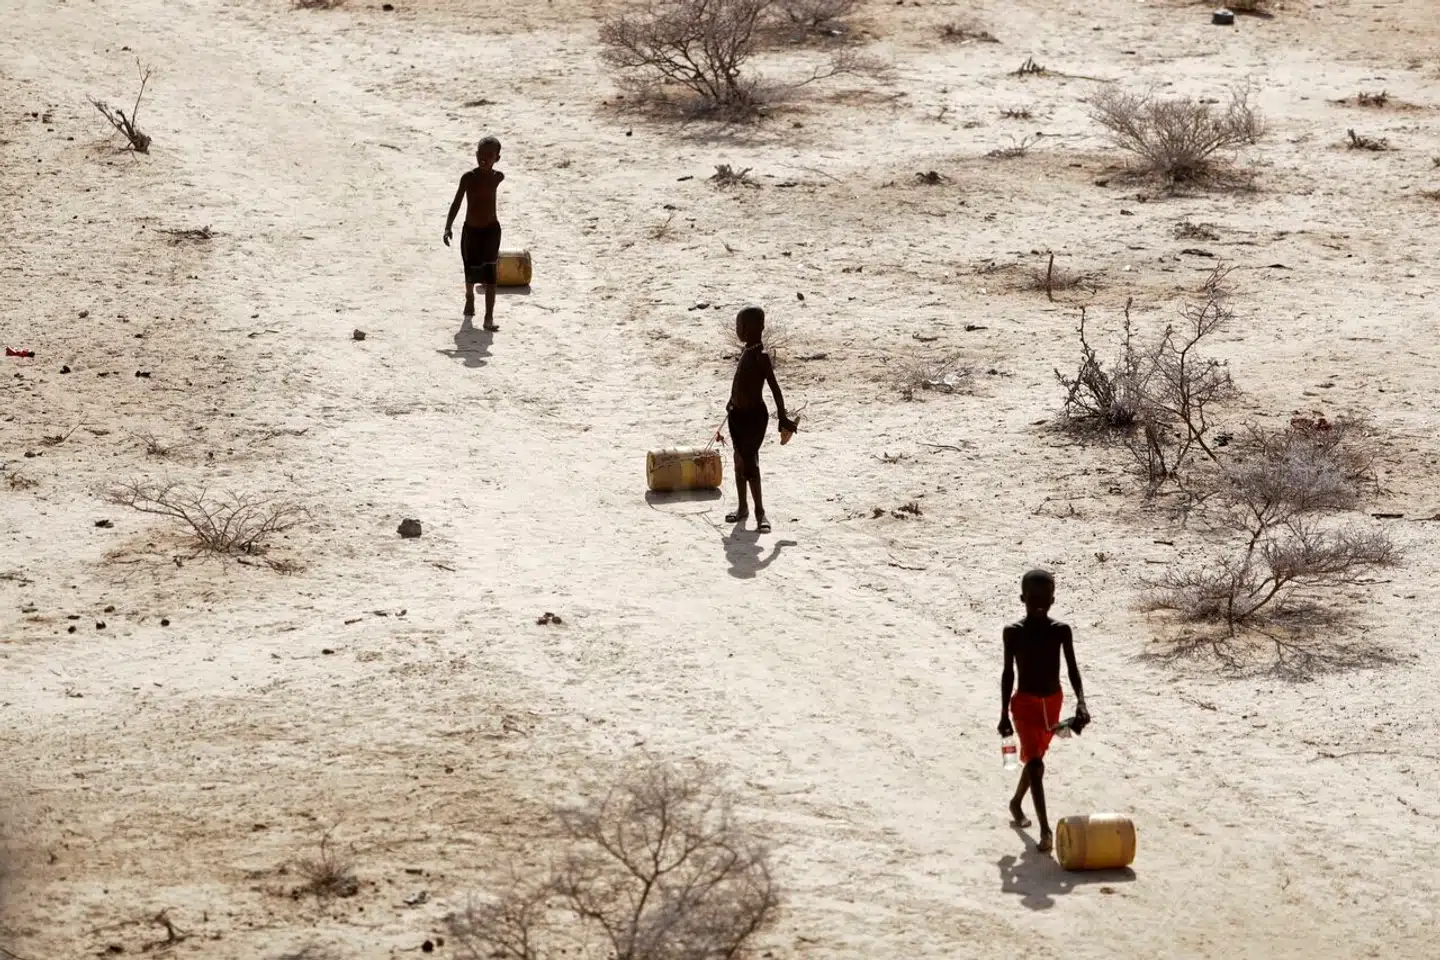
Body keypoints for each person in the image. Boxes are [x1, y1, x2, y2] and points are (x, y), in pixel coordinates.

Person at [998, 569, 1090, 854]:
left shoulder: (1061, 631)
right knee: (1036, 764)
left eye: (1045, 598)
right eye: (1033, 597)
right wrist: (1003, 714)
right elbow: (1008, 674)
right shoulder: (1013, 632)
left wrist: (1081, 701)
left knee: (1035, 760)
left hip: (1052, 702)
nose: (1039, 603)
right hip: (1024, 704)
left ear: (1053, 599)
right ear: (1022, 598)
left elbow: (1072, 668)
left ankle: (1016, 803)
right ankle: (1046, 830)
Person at [717, 306, 797, 534]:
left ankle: (760, 512)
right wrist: (732, 402)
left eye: (741, 326)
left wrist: (782, 416)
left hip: (754, 417)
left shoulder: (761, 357)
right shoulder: (746, 352)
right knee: (738, 460)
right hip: (737, 416)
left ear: (756, 328)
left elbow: (775, 388)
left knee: (750, 463)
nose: (738, 330)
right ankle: (743, 508)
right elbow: (740, 383)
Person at [443, 136, 505, 330]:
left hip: (491, 231)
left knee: (490, 273)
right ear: (476, 155)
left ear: (497, 158)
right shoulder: (468, 178)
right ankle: (469, 297)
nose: (484, 159)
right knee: (470, 270)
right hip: (471, 231)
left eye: (490, 155)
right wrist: (448, 226)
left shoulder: (497, 177)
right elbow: (457, 203)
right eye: (481, 154)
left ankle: (489, 317)